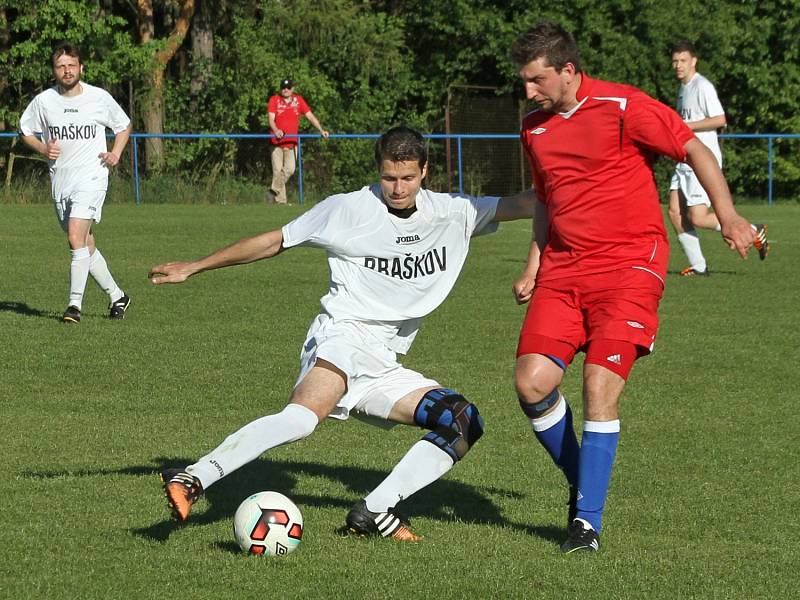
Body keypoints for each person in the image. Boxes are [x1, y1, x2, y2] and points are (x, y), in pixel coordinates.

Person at [148, 126, 537, 540]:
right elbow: (274, 241)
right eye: (389, 178)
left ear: (425, 170)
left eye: (408, 178)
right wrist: (195, 265)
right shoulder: (346, 209)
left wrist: (580, 175)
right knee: (301, 419)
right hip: (343, 338)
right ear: (378, 171)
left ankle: (374, 511)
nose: (398, 188)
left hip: (384, 361)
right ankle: (195, 477)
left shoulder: (454, 211)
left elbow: (529, 203)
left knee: (462, 421)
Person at [509, 22, 764, 553]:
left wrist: (730, 215)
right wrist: (535, 264)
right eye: (524, 81)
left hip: (630, 265)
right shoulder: (533, 127)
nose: (528, 91)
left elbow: (695, 150)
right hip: (563, 269)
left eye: (536, 80)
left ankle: (586, 523)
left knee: (600, 385)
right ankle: (585, 483)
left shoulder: (624, 106)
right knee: (532, 384)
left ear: (568, 70)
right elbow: (546, 201)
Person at [19, 42, 133, 323]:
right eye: (61, 66)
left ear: (81, 67)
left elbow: (123, 125)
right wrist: (44, 149)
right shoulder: (44, 101)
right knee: (85, 243)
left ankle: (74, 306)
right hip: (61, 180)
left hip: (92, 176)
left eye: (72, 65)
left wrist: (116, 153)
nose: (67, 71)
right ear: (54, 71)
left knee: (74, 237)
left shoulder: (98, 97)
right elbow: (25, 131)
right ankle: (118, 296)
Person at [668, 41, 769, 276]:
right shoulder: (684, 88)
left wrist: (685, 126)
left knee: (697, 217)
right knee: (674, 211)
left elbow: (720, 119)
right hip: (684, 160)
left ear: (694, 61)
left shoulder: (702, 86)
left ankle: (753, 230)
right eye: (675, 61)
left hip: (700, 160)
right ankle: (699, 266)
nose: (678, 65)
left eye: (682, 60)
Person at [265, 77, 329, 204]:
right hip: (276, 142)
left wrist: (321, 130)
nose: (285, 90)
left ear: (292, 88)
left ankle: (272, 191)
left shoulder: (298, 100)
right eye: (283, 87)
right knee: (277, 171)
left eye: (288, 87)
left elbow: (310, 116)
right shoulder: (274, 100)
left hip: (291, 142)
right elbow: (271, 119)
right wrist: (276, 130)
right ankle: (280, 202)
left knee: (289, 169)